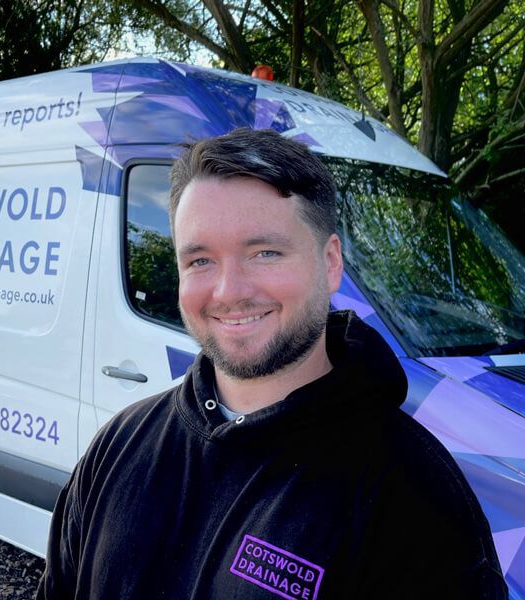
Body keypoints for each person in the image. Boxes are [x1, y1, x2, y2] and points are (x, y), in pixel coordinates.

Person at [37, 128, 507, 599]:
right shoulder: (118, 447)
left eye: (264, 253)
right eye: (200, 260)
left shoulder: (414, 497)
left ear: (330, 262)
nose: (229, 292)